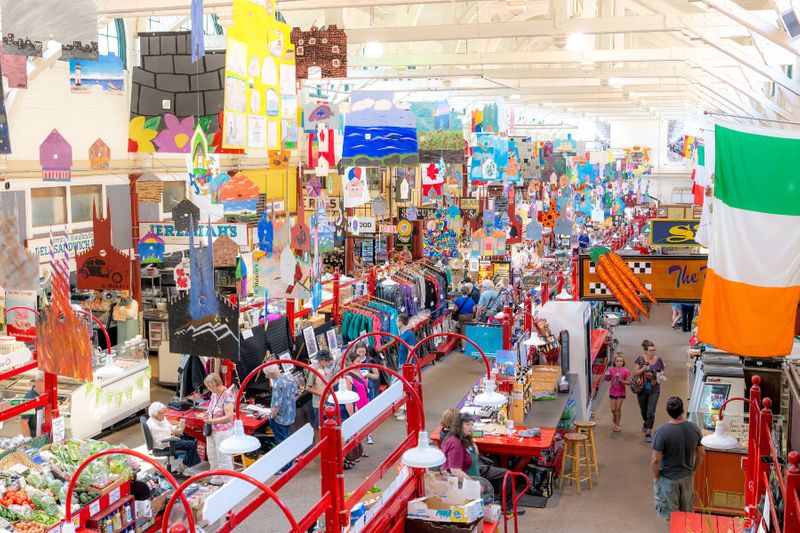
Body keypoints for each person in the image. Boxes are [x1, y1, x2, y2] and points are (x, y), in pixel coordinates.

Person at [441, 413, 525, 517]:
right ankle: (501, 506)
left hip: (475, 470)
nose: (470, 427)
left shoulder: (464, 436)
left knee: (507, 474)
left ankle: (505, 506)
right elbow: (455, 470)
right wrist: (474, 484)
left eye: (472, 424)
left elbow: (471, 447)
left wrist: (473, 444)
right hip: (464, 479)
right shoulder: (455, 443)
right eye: (467, 424)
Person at [651, 397, 704, 522]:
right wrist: (693, 470)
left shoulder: (662, 432)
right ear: (683, 410)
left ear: (667, 411)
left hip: (668, 479)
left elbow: (655, 459)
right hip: (687, 477)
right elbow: (701, 454)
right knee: (687, 516)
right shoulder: (694, 428)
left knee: (672, 518)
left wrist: (656, 475)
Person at [146, 402, 201, 473]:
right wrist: (173, 437)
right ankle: (184, 466)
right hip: (165, 445)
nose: (164, 415)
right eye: (162, 413)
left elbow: (170, 428)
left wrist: (178, 428)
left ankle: (185, 465)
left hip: (170, 440)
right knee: (191, 444)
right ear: (156, 414)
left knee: (189, 442)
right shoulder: (153, 426)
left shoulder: (161, 419)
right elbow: (160, 442)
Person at [201, 374, 235, 485]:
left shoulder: (228, 395)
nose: (208, 389)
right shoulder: (214, 394)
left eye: (209, 386)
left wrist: (212, 421)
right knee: (212, 455)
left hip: (223, 431)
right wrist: (207, 414)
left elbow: (229, 417)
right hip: (212, 430)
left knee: (223, 457)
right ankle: (216, 478)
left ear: (215, 384)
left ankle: (228, 482)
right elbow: (212, 407)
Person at [264, 366, 299, 472]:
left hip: (280, 418)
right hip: (290, 414)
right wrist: (289, 404)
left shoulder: (277, 384)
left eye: (266, 374)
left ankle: (285, 467)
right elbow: (297, 394)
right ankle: (290, 461)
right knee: (286, 438)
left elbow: (275, 406)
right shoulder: (289, 377)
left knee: (282, 443)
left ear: (271, 373)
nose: (266, 377)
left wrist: (271, 417)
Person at [634, 340, 666, 443]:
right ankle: (646, 422)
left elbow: (662, 372)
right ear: (646, 351)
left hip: (654, 389)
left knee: (651, 411)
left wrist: (656, 376)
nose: (653, 352)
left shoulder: (658, 360)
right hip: (642, 389)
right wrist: (643, 369)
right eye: (651, 350)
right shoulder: (640, 360)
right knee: (644, 410)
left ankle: (648, 433)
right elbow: (635, 373)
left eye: (654, 350)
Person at [353, 343, 380, 445]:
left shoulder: (370, 361)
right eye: (359, 352)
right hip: (356, 389)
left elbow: (376, 376)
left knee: (368, 411)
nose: (361, 354)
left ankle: (369, 434)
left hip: (368, 388)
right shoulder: (353, 362)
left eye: (363, 352)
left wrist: (367, 374)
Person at [305, 349, 337, 434]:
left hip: (328, 402)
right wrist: (322, 394)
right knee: (319, 426)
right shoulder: (314, 372)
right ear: (321, 360)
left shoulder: (327, 369)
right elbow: (308, 387)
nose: (329, 362)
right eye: (327, 360)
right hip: (319, 404)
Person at [395, 314, 417, 421]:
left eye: (396, 321)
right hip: (402, 364)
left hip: (406, 365)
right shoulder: (403, 334)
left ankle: (406, 411)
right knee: (401, 387)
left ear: (401, 322)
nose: (395, 323)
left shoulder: (409, 335)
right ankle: (402, 408)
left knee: (405, 388)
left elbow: (411, 351)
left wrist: (408, 365)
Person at [604, 354, 631, 432]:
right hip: (612, 392)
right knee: (613, 409)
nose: (619, 363)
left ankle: (617, 425)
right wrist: (607, 375)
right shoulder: (611, 370)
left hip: (621, 393)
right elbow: (607, 379)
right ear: (614, 362)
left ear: (623, 362)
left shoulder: (626, 371)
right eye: (617, 361)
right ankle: (614, 415)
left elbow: (629, 382)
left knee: (618, 409)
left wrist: (622, 381)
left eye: (621, 361)